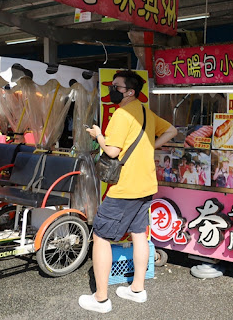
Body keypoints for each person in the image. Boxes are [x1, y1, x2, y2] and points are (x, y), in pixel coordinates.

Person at [81, 70, 177, 313]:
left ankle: (101, 299)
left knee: (101, 237)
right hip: (146, 185)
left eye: (116, 86)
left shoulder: (122, 114)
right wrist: (149, 146)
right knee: (138, 235)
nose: (113, 89)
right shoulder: (146, 111)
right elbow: (172, 131)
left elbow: (112, 151)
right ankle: (137, 289)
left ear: (129, 91)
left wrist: (98, 135)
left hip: (125, 188)